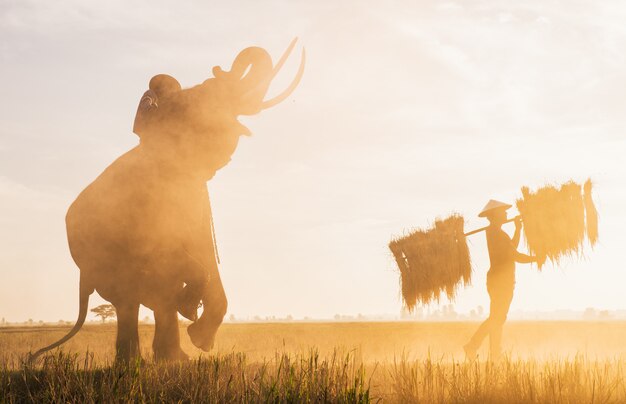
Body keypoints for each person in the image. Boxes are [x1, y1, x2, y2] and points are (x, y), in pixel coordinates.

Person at [464, 200, 543, 360]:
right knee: (497, 318)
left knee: (497, 318)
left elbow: (512, 247)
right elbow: (515, 255)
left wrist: (518, 229)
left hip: (500, 280)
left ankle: (493, 353)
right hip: (501, 282)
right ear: (496, 215)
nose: (506, 214)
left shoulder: (495, 233)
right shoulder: (497, 234)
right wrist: (536, 258)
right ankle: (474, 346)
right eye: (503, 212)